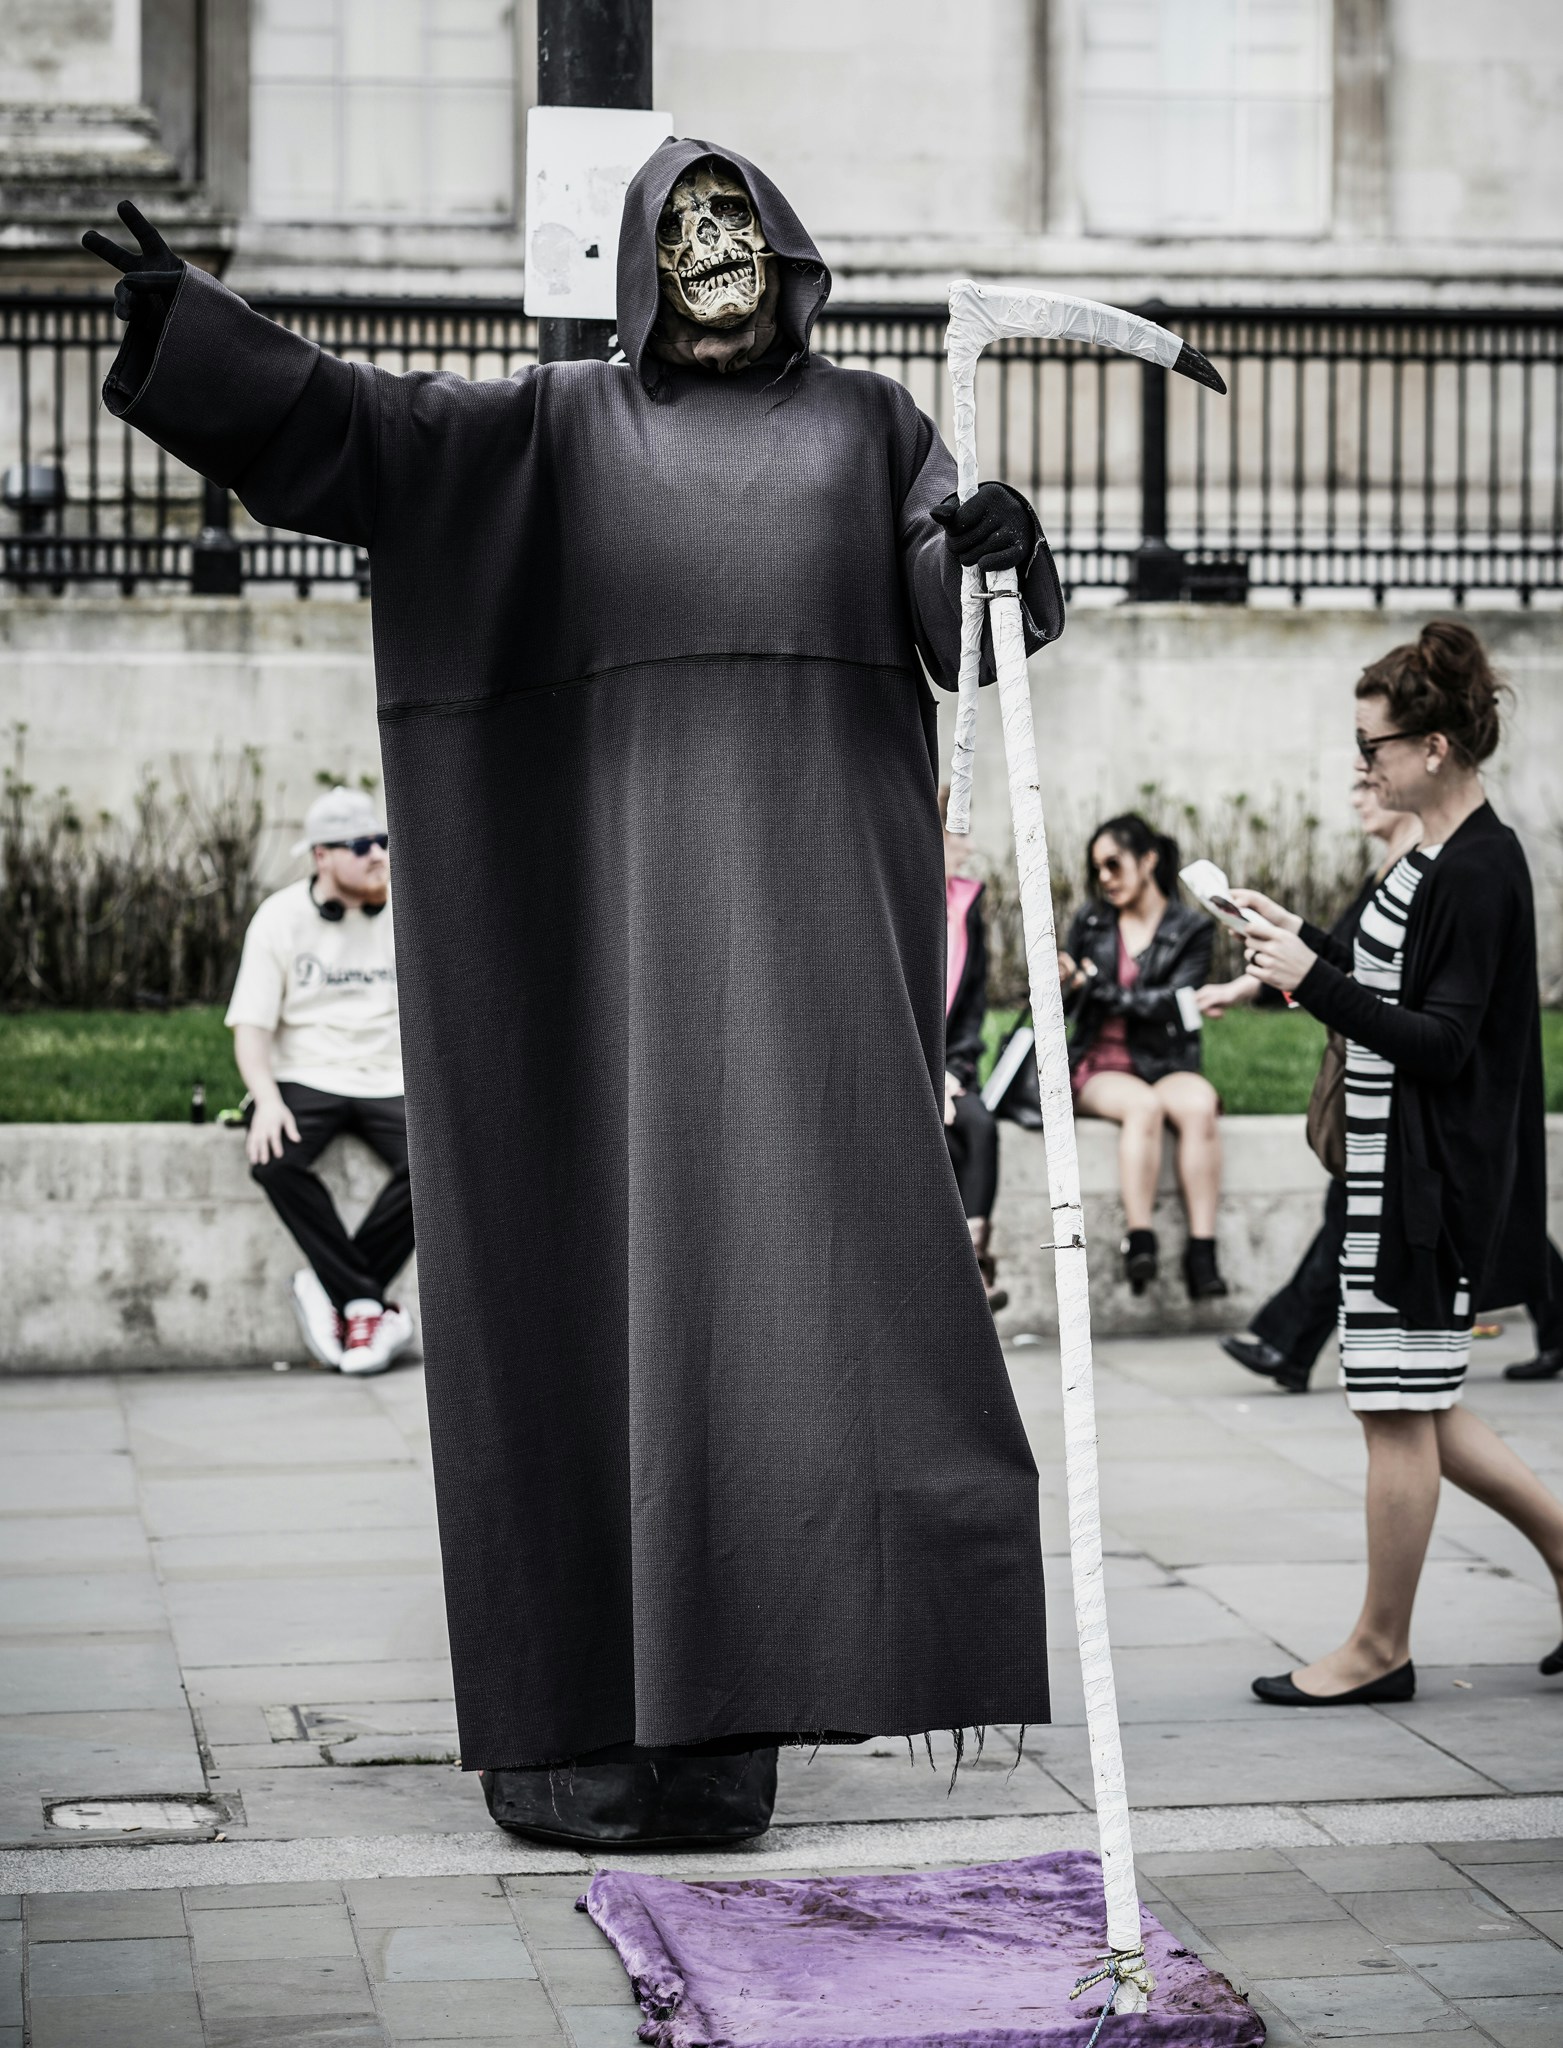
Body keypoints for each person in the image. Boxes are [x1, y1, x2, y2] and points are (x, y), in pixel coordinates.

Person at [82, 147, 1067, 1840]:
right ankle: (583, 1723)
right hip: (590, 941)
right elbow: (372, 434)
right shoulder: (554, 429)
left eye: (737, 227)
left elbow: (966, 622)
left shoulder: (869, 428)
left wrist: (995, 545)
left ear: (791, 255)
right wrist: (199, 332)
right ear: (636, 268)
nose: (713, 255)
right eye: (679, 234)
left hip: (807, 935)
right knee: (581, 1290)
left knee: (794, 1304)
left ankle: (739, 1709)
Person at [1238, 621, 1563, 1702]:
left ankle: (1380, 1647)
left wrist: (1312, 980)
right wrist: (1291, 954)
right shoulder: (1432, 855)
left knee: (1396, 1409)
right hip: (1388, 1177)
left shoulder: (1477, 871)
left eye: (1375, 744)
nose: (1363, 762)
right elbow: (1382, 978)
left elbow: (1443, 1041)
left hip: (1424, 1188)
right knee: (1418, 1404)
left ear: (1433, 747)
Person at [1203, 777, 1421, 1392]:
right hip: (1375, 1065)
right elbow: (1342, 959)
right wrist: (1266, 959)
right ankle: (1289, 1344)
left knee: (1356, 1205)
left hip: (1397, 1070)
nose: (1355, 796)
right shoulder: (1389, 869)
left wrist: (1290, 954)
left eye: (1367, 782)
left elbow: (1353, 975)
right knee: (1353, 1204)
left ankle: (1288, 1343)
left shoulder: (1424, 871)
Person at [226, 786, 414, 1377]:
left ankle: (340, 1293)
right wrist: (266, 1100)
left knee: (446, 1171)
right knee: (272, 1160)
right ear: (322, 856)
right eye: (362, 846)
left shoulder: (410, 909)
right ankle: (364, 1301)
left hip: (390, 1077)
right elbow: (251, 1025)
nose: (380, 855)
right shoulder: (279, 918)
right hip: (308, 1073)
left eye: (383, 841)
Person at [1061, 814, 1227, 1299]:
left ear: (1148, 859)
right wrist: (1068, 980)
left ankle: (1202, 1250)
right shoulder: (1091, 921)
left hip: (1165, 1060)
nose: (1106, 879)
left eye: (1114, 865)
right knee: (1143, 1109)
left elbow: (1175, 1002)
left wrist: (1099, 987)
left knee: (1200, 1106)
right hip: (1101, 1060)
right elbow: (1071, 1007)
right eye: (1099, 870)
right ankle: (1141, 1241)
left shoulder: (1191, 927)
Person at [940, 786, 1006, 1313]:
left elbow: (973, 1005)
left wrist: (955, 1070)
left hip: (948, 1068)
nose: (968, 844)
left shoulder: (965, 904)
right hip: (906, 1066)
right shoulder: (898, 899)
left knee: (978, 1125)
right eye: (957, 831)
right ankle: (969, 1272)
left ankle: (977, 1260)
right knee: (956, 1142)